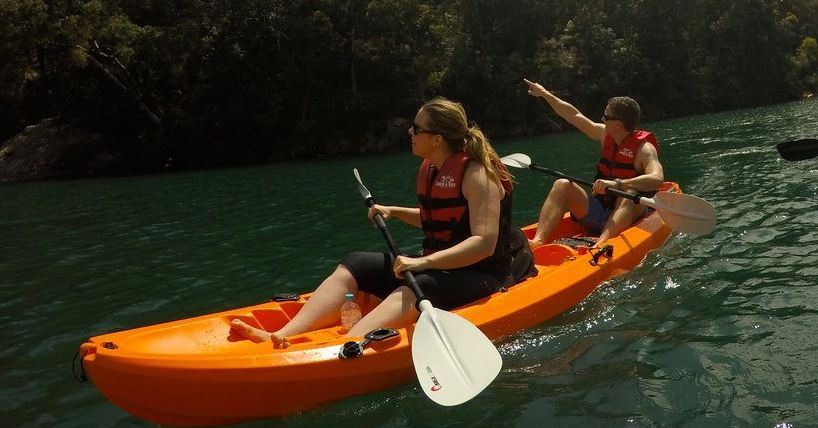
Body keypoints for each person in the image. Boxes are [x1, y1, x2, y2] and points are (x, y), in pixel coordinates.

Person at [230, 98, 535, 347]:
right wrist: (394, 211)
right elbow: (443, 221)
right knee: (356, 262)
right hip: (439, 267)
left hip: (482, 275)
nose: (410, 133)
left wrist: (421, 263)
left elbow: (482, 244)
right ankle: (283, 334)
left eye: (416, 129)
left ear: (437, 139)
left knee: (416, 286)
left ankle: (345, 347)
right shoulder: (435, 168)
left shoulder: (477, 175)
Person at [522, 79, 664, 248]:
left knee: (629, 192)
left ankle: (600, 245)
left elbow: (657, 179)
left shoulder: (644, 149)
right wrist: (545, 94)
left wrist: (618, 183)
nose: (602, 119)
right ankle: (537, 243)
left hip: (629, 213)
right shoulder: (605, 135)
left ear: (618, 123)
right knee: (562, 184)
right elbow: (574, 116)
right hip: (600, 209)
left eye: (606, 116)